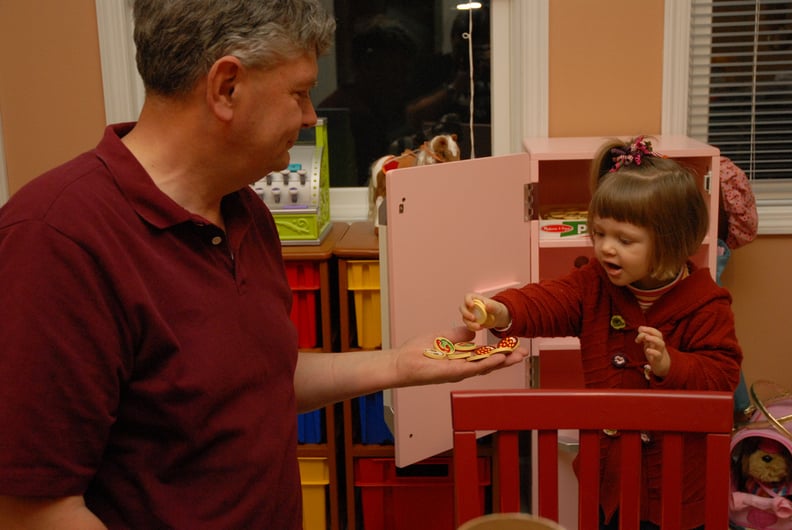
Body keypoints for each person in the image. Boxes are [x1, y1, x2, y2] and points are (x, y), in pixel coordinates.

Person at [0, 2, 528, 528]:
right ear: (226, 87)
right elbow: (35, 508)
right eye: (298, 93)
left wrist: (399, 365)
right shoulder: (56, 240)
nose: (310, 117)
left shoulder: (244, 211)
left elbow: (253, 379)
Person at [460, 136, 743, 530]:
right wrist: (502, 310)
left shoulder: (707, 305)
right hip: (608, 478)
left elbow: (722, 379)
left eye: (624, 240)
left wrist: (669, 364)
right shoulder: (595, 284)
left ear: (674, 243)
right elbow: (550, 300)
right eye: (599, 234)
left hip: (676, 489)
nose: (606, 249)